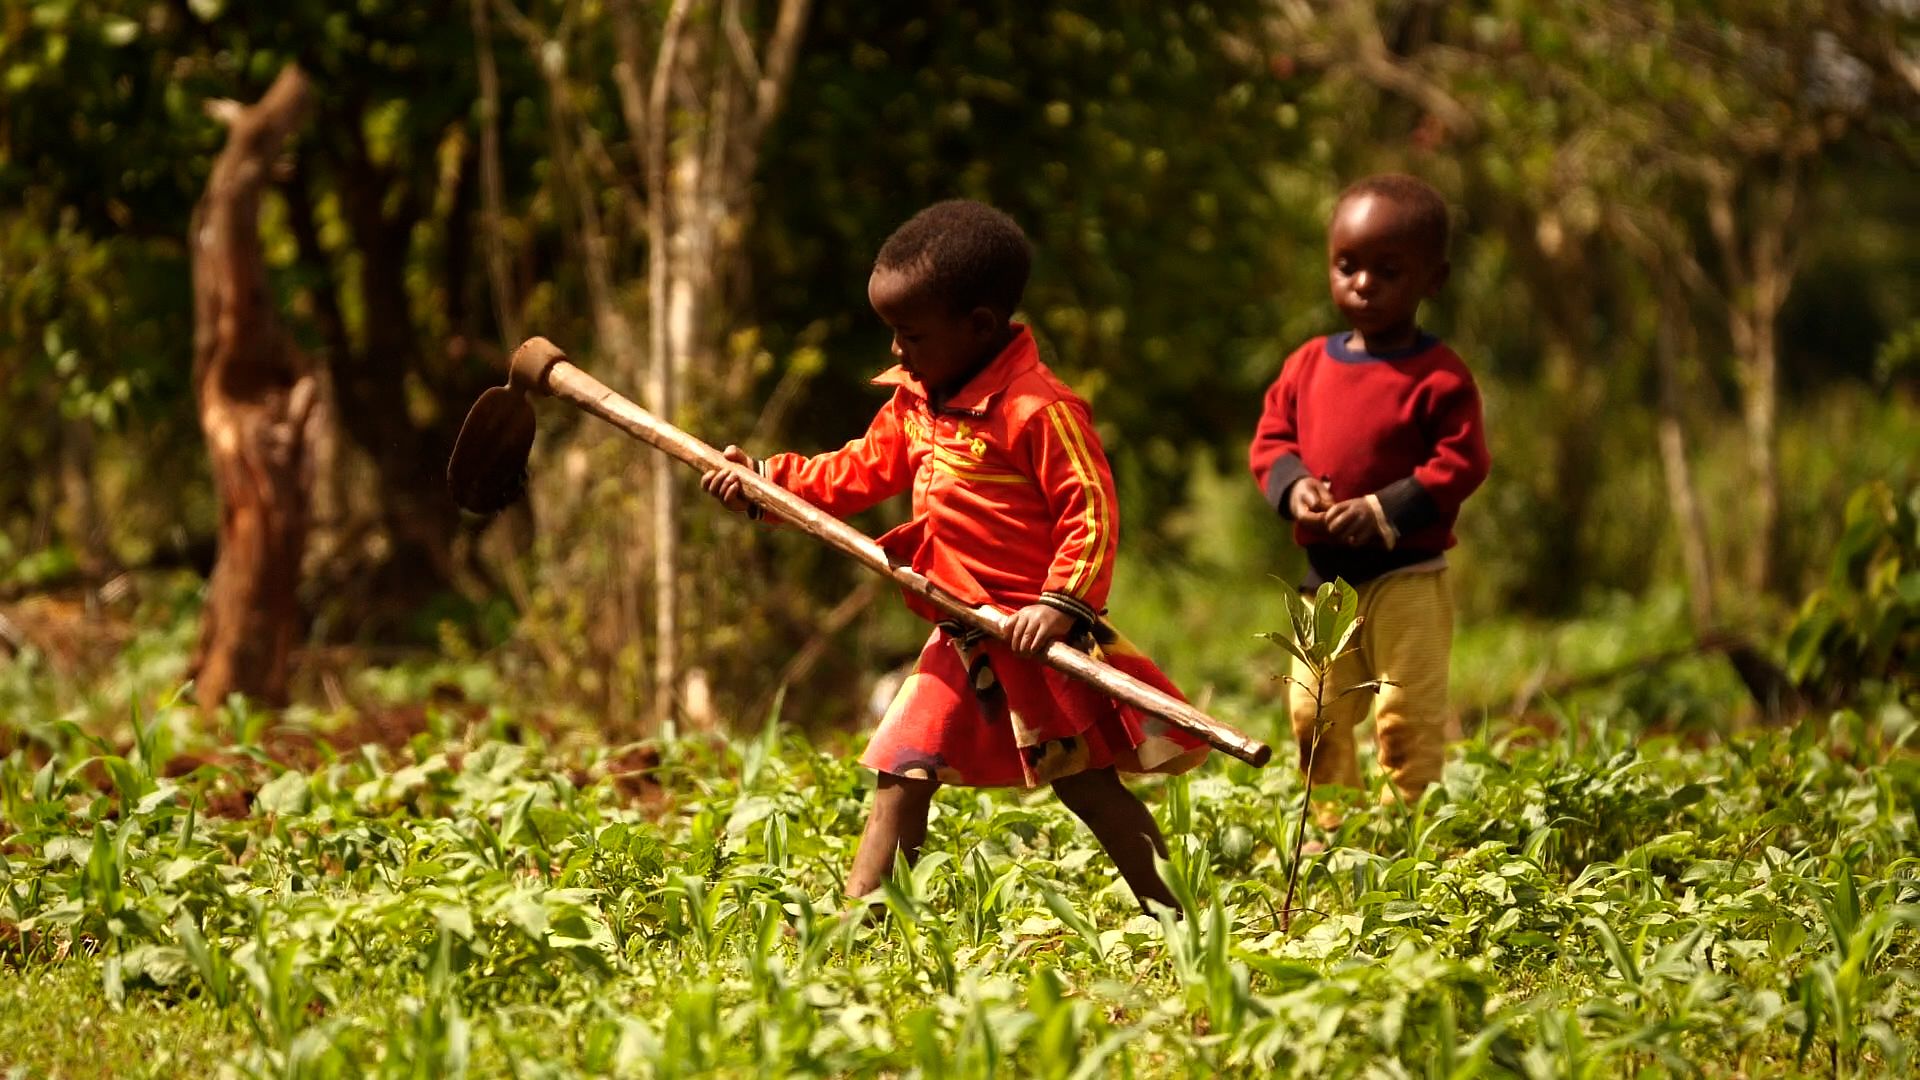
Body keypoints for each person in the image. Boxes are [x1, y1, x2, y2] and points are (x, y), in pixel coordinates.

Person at [702, 199, 1207, 913]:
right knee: (902, 767)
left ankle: (1181, 915)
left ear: (978, 327)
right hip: (962, 635)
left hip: (1032, 642)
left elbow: (1090, 512)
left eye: (910, 335)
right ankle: (858, 927)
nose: (896, 352)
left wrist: (1057, 606)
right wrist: (766, 482)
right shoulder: (916, 403)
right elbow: (857, 472)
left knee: (1089, 789)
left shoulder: (1039, 410)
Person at [1247, 174, 1491, 806]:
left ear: (1431, 281)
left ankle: (1409, 833)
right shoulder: (1308, 364)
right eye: (1347, 266)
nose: (1362, 283)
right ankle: (1333, 828)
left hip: (1408, 579)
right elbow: (1272, 441)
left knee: (1405, 719)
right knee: (1313, 710)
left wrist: (1384, 510)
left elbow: (1463, 460)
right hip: (1324, 581)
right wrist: (1295, 487)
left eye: (1387, 271)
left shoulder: (1439, 376)